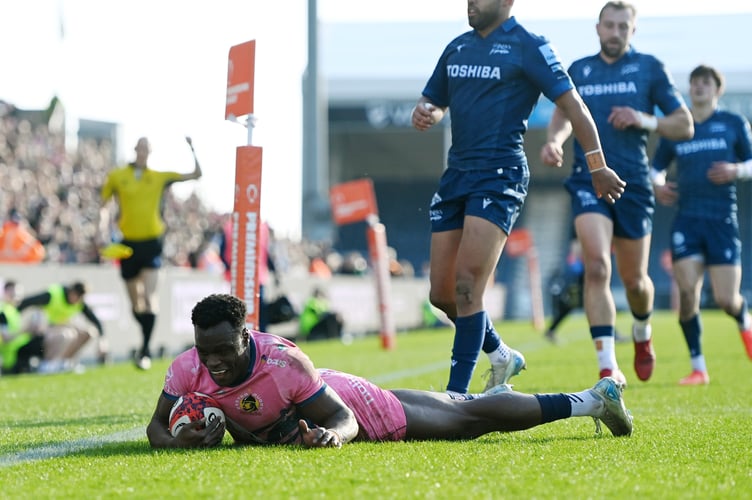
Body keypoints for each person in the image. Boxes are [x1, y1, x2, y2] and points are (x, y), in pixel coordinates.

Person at [412, 0, 625, 396]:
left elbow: (573, 105)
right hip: (456, 174)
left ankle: (457, 397)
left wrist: (597, 165)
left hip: (499, 176)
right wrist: (427, 112)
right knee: (442, 296)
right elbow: (435, 102)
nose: (471, 3)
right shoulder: (457, 46)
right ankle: (500, 355)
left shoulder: (530, 45)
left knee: (467, 287)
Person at [146, 294, 633, 449]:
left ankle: (593, 399)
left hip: (344, 398)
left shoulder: (284, 363)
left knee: (466, 425)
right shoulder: (188, 369)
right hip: (317, 393)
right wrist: (178, 444)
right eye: (204, 352)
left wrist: (331, 438)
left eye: (223, 351)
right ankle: (496, 392)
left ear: (246, 336)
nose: (213, 363)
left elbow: (343, 420)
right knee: (453, 408)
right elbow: (155, 427)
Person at [540, 1, 693, 384]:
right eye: (609, 25)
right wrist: (555, 141)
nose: (615, 32)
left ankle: (642, 332)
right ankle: (608, 365)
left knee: (636, 282)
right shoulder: (580, 71)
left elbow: (684, 124)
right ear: (597, 28)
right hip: (588, 180)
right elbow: (562, 114)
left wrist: (643, 118)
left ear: (633, 30)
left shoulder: (649, 68)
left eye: (623, 26)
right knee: (596, 266)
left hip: (634, 185)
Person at [651, 65, 752, 385]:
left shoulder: (733, 123)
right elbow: (655, 168)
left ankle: (743, 317)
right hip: (687, 220)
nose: (698, 87)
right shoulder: (680, 126)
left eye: (705, 83)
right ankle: (698, 368)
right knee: (687, 293)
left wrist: (735, 170)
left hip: (722, 220)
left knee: (726, 299)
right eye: (694, 82)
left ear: (717, 90)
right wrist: (659, 183)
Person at [99, 136, 202, 370]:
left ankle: (144, 350)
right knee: (136, 304)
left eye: (147, 148)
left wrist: (192, 149)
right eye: (140, 147)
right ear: (135, 149)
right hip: (127, 245)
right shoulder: (118, 176)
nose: (143, 151)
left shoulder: (158, 177)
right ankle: (144, 338)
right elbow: (104, 205)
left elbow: (196, 174)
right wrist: (101, 226)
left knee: (149, 298)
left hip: (152, 243)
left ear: (150, 152)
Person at [16, 281, 106, 374]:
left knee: (89, 333)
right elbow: (28, 302)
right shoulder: (53, 295)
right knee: (67, 335)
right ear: (72, 292)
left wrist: (102, 340)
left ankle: (65, 362)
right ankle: (48, 364)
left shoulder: (79, 302)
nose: (76, 300)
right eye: (76, 296)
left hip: (63, 329)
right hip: (46, 332)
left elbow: (96, 321)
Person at [0, 280, 45, 374]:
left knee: (43, 337)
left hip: (18, 350)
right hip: (12, 355)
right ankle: (47, 367)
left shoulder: (13, 311)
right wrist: (25, 330)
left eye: (19, 295)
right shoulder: (3, 312)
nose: (17, 297)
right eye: (13, 294)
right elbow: (5, 338)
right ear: (5, 292)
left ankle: (46, 366)